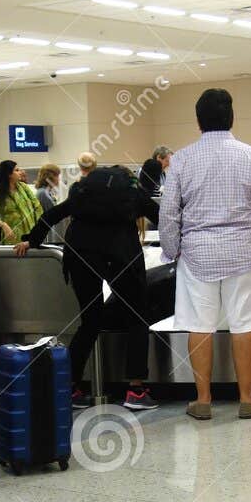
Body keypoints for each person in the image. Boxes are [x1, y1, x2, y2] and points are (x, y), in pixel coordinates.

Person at [158, 88, 251, 420]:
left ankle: (203, 400)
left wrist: (172, 250)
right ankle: (247, 399)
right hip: (243, 252)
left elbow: (168, 213)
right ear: (231, 117)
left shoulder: (181, 159)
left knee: (199, 325)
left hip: (196, 254)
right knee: (244, 324)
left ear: (198, 121)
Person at [16, 163, 161, 412]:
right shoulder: (131, 191)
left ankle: (70, 388)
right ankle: (135, 391)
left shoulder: (85, 192)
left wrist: (32, 240)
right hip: (120, 257)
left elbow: (53, 215)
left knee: (90, 321)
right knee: (137, 318)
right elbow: (160, 217)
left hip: (80, 255)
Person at [0, 160, 42, 244]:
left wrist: (39, 228)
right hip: (12, 238)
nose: (20, 172)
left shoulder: (24, 187)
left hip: (30, 235)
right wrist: (3, 225)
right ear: (9, 174)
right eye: (16, 170)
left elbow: (38, 207)